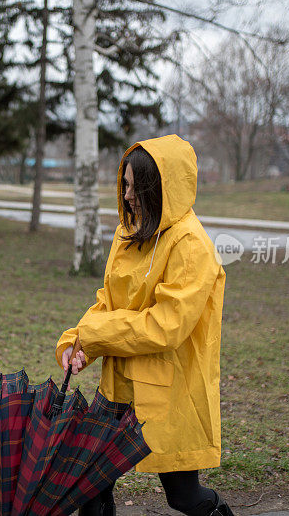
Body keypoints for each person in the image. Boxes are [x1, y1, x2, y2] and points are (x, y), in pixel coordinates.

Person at [55, 135, 234, 516]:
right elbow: (108, 300)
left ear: (164, 188)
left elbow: (165, 327)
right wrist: (76, 342)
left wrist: (96, 336)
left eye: (139, 187)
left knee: (184, 497)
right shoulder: (130, 230)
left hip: (169, 393)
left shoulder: (191, 245)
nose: (129, 196)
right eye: (125, 184)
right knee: (88, 485)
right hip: (117, 384)